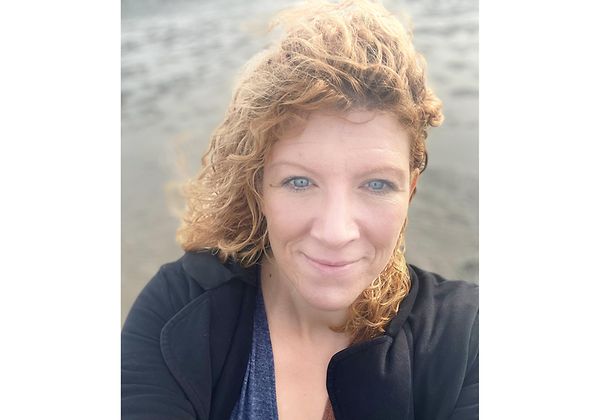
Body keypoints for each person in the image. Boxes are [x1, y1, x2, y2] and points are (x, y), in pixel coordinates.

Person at [121, 1, 479, 419]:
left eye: (377, 184)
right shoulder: (179, 311)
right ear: (259, 187)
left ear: (410, 193)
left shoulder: (465, 338)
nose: (335, 232)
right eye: (299, 182)